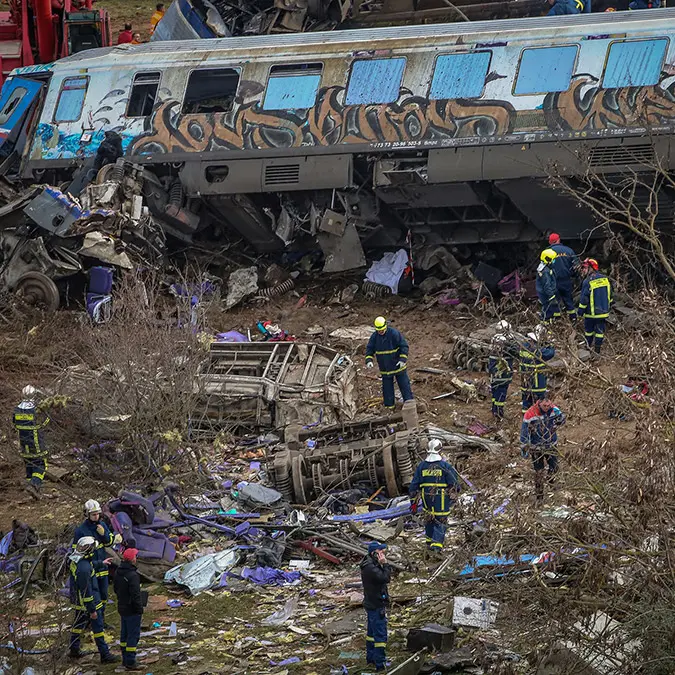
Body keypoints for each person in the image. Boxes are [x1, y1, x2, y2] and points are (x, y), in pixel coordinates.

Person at [68, 536, 119, 663]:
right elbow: (87, 591)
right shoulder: (83, 569)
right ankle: (105, 655)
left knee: (78, 625)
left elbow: (88, 565)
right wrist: (92, 609)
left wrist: (101, 563)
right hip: (89, 603)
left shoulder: (77, 560)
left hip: (79, 602)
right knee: (98, 628)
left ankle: (74, 649)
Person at [73, 500, 122, 627]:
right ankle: (90, 621)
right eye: (93, 514)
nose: (96, 517)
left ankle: (102, 620)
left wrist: (104, 534)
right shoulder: (80, 531)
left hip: (103, 567)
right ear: (87, 514)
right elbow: (77, 553)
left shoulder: (102, 526)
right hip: (91, 567)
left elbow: (110, 543)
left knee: (104, 595)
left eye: (98, 514)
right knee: (93, 596)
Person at [409, 439, 460, 554]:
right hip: (441, 500)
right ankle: (436, 548)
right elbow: (454, 484)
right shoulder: (445, 466)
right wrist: (454, 495)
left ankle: (429, 544)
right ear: (440, 451)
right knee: (440, 521)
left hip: (426, 499)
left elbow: (413, 487)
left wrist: (413, 503)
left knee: (429, 520)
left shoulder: (421, 466)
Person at [520, 399, 566, 503]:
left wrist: (562, 419)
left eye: (548, 405)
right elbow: (524, 432)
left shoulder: (554, 410)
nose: (546, 407)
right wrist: (524, 447)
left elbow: (562, 418)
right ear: (539, 403)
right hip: (536, 448)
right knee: (539, 472)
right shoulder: (530, 414)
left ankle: (551, 481)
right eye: (544, 405)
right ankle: (539, 496)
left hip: (551, 445)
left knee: (554, 466)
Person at [365, 316, 413, 411]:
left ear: (385, 326)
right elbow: (369, 349)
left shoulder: (394, 334)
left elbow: (404, 346)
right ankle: (389, 408)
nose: (380, 332)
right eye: (379, 330)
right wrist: (369, 360)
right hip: (385, 368)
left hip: (397, 366)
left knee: (404, 386)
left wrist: (402, 360)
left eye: (382, 330)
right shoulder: (374, 337)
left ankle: (410, 405)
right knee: (387, 389)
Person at [13, 385, 50, 500]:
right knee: (41, 465)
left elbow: (14, 424)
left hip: (23, 444)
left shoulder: (16, 409)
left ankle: (32, 492)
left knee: (29, 466)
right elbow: (45, 422)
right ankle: (34, 485)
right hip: (36, 443)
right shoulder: (36, 409)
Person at [360, 542, 392, 672]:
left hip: (372, 602)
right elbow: (385, 577)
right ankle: (380, 664)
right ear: (374, 553)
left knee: (371, 633)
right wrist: (385, 564)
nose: (383, 554)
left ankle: (371, 658)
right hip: (376, 604)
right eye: (381, 552)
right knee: (380, 635)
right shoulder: (370, 568)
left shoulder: (369, 564)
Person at [114, 548, 145, 671]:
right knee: (133, 635)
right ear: (132, 559)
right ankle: (131, 662)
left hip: (122, 607)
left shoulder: (118, 572)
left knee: (124, 634)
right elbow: (136, 595)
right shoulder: (133, 575)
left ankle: (124, 659)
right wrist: (139, 609)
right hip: (132, 609)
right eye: (135, 556)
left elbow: (116, 589)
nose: (136, 558)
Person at [578, 258, 612, 355]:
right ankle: (597, 350)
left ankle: (588, 348)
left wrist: (580, 312)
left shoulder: (587, 281)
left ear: (591, 268)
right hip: (603, 312)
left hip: (591, 313)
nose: (583, 270)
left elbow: (584, 299)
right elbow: (611, 295)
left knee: (589, 331)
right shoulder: (605, 279)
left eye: (584, 268)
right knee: (600, 332)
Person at [519, 325, 555, 412]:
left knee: (526, 401)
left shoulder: (524, 347)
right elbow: (550, 353)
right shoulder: (537, 350)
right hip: (537, 381)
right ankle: (537, 420)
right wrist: (551, 345)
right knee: (539, 403)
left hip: (525, 381)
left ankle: (526, 419)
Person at [548, 233, 580, 318]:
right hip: (567, 281)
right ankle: (573, 319)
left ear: (550, 242)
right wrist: (577, 277)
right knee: (569, 301)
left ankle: (557, 322)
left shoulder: (546, 253)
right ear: (559, 240)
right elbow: (576, 266)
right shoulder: (569, 251)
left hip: (553, 282)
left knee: (555, 303)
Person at [488, 334, 515, 420]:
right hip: (502, 380)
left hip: (494, 379)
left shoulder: (493, 352)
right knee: (500, 397)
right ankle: (499, 414)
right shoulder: (506, 353)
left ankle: (494, 411)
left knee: (495, 396)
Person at [536, 249, 560, 323]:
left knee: (555, 308)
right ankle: (545, 323)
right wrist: (552, 297)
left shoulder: (547, 268)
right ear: (547, 259)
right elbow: (547, 286)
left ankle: (557, 320)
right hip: (546, 294)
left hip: (549, 292)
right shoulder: (545, 271)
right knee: (547, 309)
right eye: (553, 260)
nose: (554, 262)